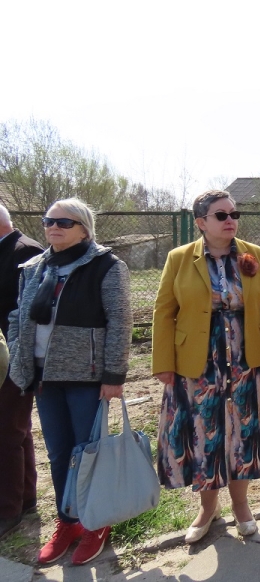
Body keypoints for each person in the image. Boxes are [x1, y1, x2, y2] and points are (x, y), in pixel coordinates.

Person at [152, 190, 260, 544]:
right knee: (204, 434)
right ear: (201, 222)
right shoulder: (179, 258)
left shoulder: (253, 254)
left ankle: (241, 506)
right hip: (196, 362)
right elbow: (164, 312)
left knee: (243, 432)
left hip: (247, 357)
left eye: (234, 214)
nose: (230, 220)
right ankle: (207, 509)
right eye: (221, 215)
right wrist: (163, 363)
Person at [7, 198, 133, 565]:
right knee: (59, 454)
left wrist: (113, 376)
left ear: (83, 229)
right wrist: (18, 350)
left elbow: (120, 322)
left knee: (89, 453)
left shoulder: (106, 266)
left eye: (64, 222)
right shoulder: (33, 268)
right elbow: (18, 315)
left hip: (86, 377)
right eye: (48, 221)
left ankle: (96, 523)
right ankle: (68, 522)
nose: (53, 227)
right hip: (44, 378)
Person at [0, 205, 44, 541]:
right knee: (17, 429)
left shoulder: (24, 251)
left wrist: (19, 356)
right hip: (7, 355)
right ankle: (26, 498)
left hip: (13, 357)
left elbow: (26, 312)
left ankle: (8, 510)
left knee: (7, 433)